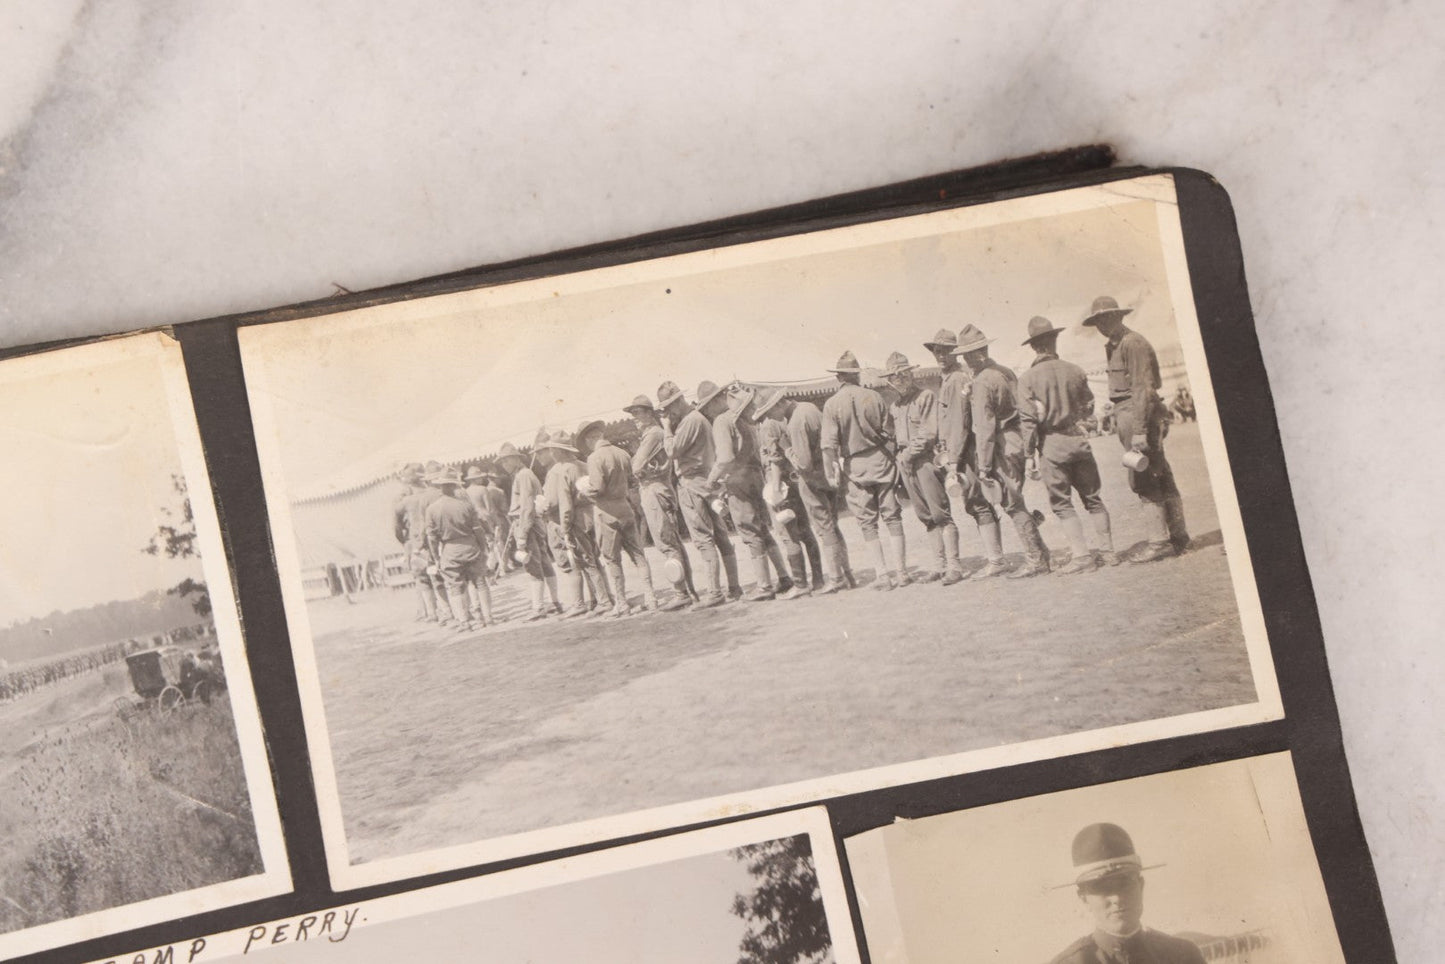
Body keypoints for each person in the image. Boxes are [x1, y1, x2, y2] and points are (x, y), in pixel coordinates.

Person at [1081, 296, 1190, 563]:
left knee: (1144, 475)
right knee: (1159, 472)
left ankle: (1160, 541)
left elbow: (1143, 389)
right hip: (1129, 412)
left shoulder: (1133, 343)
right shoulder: (1116, 345)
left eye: (1106, 318)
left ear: (1119, 316)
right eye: (1098, 321)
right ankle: (1178, 537)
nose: (1102, 325)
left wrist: (1140, 430)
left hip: (1137, 413)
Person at [1017, 316, 1119, 573]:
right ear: (1054, 340)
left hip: (1052, 445)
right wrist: (1077, 421)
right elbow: (1088, 406)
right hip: (1078, 440)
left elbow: (1028, 422)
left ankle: (1082, 557)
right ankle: (1108, 553)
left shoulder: (1028, 379)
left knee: (1062, 504)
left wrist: (1029, 455)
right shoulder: (1075, 370)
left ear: (1033, 346)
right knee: (1093, 499)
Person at [954, 326, 1052, 578]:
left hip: (1001, 442)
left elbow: (984, 428)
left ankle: (1036, 558)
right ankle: (1040, 551)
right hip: (1017, 438)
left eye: (967, 355)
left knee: (1011, 502)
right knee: (1015, 499)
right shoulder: (1005, 372)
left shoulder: (983, 381)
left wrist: (984, 466)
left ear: (978, 354)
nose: (965, 361)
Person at [1050, 823, 1205, 964]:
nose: (1117, 898)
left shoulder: (1184, 956)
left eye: (1124, 884)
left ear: (1141, 885)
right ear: (1084, 899)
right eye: (1102, 888)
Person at [820, 350, 908, 590]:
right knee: (893, 516)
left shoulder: (831, 405)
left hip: (855, 467)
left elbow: (828, 446)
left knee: (867, 522)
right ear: (856, 374)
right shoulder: (874, 397)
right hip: (881, 460)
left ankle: (882, 575)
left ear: (839, 377)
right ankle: (902, 573)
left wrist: (831, 472)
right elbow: (889, 431)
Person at [925, 327, 1005, 578]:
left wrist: (954, 462)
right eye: (936, 351)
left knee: (979, 503)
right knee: (974, 504)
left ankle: (996, 560)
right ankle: (996, 558)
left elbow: (960, 423)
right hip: (956, 450)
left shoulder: (957, 378)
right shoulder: (947, 378)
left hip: (965, 452)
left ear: (955, 353)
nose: (940, 355)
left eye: (945, 350)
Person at [760, 388, 854, 593]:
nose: (770, 418)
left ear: (778, 404)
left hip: (812, 481)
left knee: (824, 527)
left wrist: (787, 449)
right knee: (834, 525)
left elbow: (803, 463)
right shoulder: (809, 408)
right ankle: (848, 574)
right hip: (828, 474)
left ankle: (837, 578)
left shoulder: (795, 421)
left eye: (769, 412)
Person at [708, 384, 797, 601]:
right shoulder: (751, 420)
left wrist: (712, 480)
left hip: (738, 481)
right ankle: (784, 577)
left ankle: (764, 586)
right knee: (764, 530)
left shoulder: (722, 421)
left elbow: (726, 458)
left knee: (750, 532)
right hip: (758, 475)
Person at [659, 379, 742, 607]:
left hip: (692, 483)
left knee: (704, 538)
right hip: (707, 481)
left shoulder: (689, 421)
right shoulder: (698, 419)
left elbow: (672, 451)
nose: (667, 412)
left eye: (668, 407)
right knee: (721, 536)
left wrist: (666, 428)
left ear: (677, 403)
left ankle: (715, 592)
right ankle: (734, 587)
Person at [883, 351, 964, 584]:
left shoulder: (926, 397)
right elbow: (892, 434)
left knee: (940, 513)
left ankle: (954, 566)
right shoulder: (896, 406)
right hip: (906, 463)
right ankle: (939, 566)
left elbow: (929, 432)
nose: (899, 379)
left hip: (925, 461)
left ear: (910, 374)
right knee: (924, 515)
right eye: (894, 376)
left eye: (902, 374)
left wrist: (908, 454)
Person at [579, 418, 659, 616]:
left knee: (612, 559)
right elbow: (632, 478)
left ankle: (621, 603)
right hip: (625, 508)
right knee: (638, 555)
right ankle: (651, 597)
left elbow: (597, 488)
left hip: (607, 513)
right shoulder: (622, 453)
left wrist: (583, 491)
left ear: (590, 439)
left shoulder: (594, 458)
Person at [625, 394, 696, 610]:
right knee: (670, 541)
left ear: (649, 413)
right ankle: (686, 589)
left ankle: (680, 592)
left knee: (666, 542)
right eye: (633, 414)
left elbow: (636, 466)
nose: (634, 418)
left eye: (638, 413)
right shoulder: (654, 434)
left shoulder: (653, 434)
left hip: (654, 490)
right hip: (657, 489)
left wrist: (641, 468)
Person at [750, 388, 824, 593]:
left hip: (780, 485)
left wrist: (775, 492)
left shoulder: (769, 425)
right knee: (805, 531)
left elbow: (775, 461)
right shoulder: (784, 420)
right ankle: (817, 579)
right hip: (793, 481)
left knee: (789, 534)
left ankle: (800, 583)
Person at [536, 429, 615, 617]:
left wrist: (563, 526)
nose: (551, 453)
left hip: (575, 521)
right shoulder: (583, 464)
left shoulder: (561, 470)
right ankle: (602, 597)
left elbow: (563, 504)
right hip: (591, 515)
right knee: (595, 559)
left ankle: (602, 601)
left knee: (585, 562)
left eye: (552, 449)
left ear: (559, 451)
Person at [424, 466, 497, 632]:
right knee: (480, 582)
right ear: (454, 485)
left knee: (456, 587)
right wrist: (483, 548)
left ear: (440, 487)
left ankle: (464, 621)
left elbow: (432, 538)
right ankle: (488, 617)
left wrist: (436, 557)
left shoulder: (432, 509)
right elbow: (477, 529)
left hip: (450, 550)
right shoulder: (466, 506)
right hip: (471, 547)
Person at [498, 441, 562, 620]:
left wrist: (522, 535)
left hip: (529, 524)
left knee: (533, 565)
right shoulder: (520, 474)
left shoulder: (523, 475)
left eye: (506, 460)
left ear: (515, 459)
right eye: (502, 462)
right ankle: (554, 602)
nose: (504, 465)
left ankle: (539, 607)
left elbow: (526, 506)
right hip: (531, 523)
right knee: (543, 562)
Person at [392, 462, 447, 622]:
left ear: (407, 481)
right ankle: (448, 611)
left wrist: (405, 542)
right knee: (440, 576)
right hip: (437, 540)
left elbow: (395, 526)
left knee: (422, 578)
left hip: (415, 542)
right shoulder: (435, 494)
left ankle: (431, 613)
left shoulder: (404, 501)